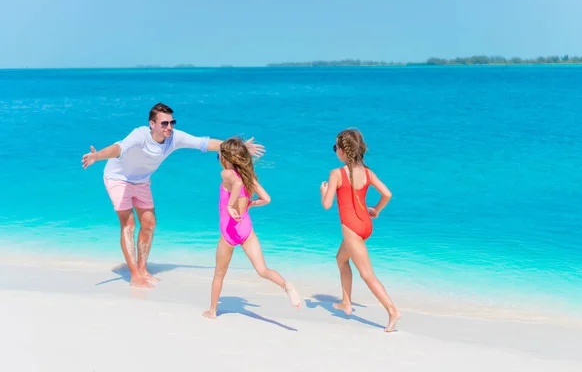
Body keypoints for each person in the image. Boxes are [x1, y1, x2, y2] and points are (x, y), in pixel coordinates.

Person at [81, 103, 265, 288]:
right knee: (128, 223)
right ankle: (135, 275)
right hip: (118, 178)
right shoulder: (140, 135)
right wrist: (98, 156)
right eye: (164, 123)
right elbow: (118, 149)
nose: (169, 127)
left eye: (171, 122)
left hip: (142, 180)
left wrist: (240, 147)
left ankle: (143, 269)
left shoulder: (174, 137)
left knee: (149, 223)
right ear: (152, 124)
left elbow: (204, 143)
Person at [202, 137, 301, 318]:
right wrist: (249, 204)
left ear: (227, 159)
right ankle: (286, 285)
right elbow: (267, 199)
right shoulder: (249, 177)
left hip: (229, 232)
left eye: (219, 156)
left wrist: (232, 206)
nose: (219, 159)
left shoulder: (226, 174)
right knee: (263, 270)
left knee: (219, 274)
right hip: (246, 229)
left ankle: (212, 310)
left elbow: (236, 183)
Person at [319, 128, 400, 332]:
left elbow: (327, 205)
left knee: (367, 274)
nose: (335, 150)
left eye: (335, 147)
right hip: (365, 224)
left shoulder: (337, 174)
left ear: (343, 151)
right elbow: (387, 194)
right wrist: (377, 210)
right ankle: (346, 303)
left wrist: (323, 191)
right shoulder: (367, 172)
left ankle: (392, 310)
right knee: (341, 259)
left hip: (352, 229)